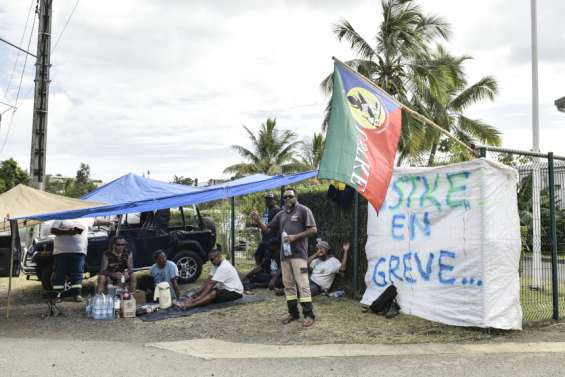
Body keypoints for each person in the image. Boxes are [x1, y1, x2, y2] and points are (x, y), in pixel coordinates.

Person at [253, 188, 317, 327]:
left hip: (299, 254)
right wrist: (258, 221)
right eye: (285, 197)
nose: (287, 199)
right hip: (285, 255)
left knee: (303, 284)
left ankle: (309, 314)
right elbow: (268, 230)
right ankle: (293, 313)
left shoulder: (304, 210)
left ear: (296, 197)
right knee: (288, 285)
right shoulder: (281, 214)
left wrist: (295, 237)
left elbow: (313, 229)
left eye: (290, 196)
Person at [51, 217, 113, 301]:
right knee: (59, 273)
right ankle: (56, 296)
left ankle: (76, 294)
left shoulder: (85, 217)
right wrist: (68, 232)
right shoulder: (62, 216)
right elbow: (53, 230)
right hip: (61, 251)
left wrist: (109, 221)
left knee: (77, 273)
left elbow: (96, 221)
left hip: (79, 251)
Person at [172, 249, 243, 310]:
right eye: (210, 260)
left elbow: (211, 284)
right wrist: (197, 293)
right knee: (207, 292)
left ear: (218, 257)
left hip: (235, 292)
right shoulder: (216, 265)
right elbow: (208, 281)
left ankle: (189, 305)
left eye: (212, 259)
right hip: (226, 289)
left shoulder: (224, 267)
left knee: (212, 293)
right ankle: (191, 301)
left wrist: (198, 298)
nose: (211, 262)